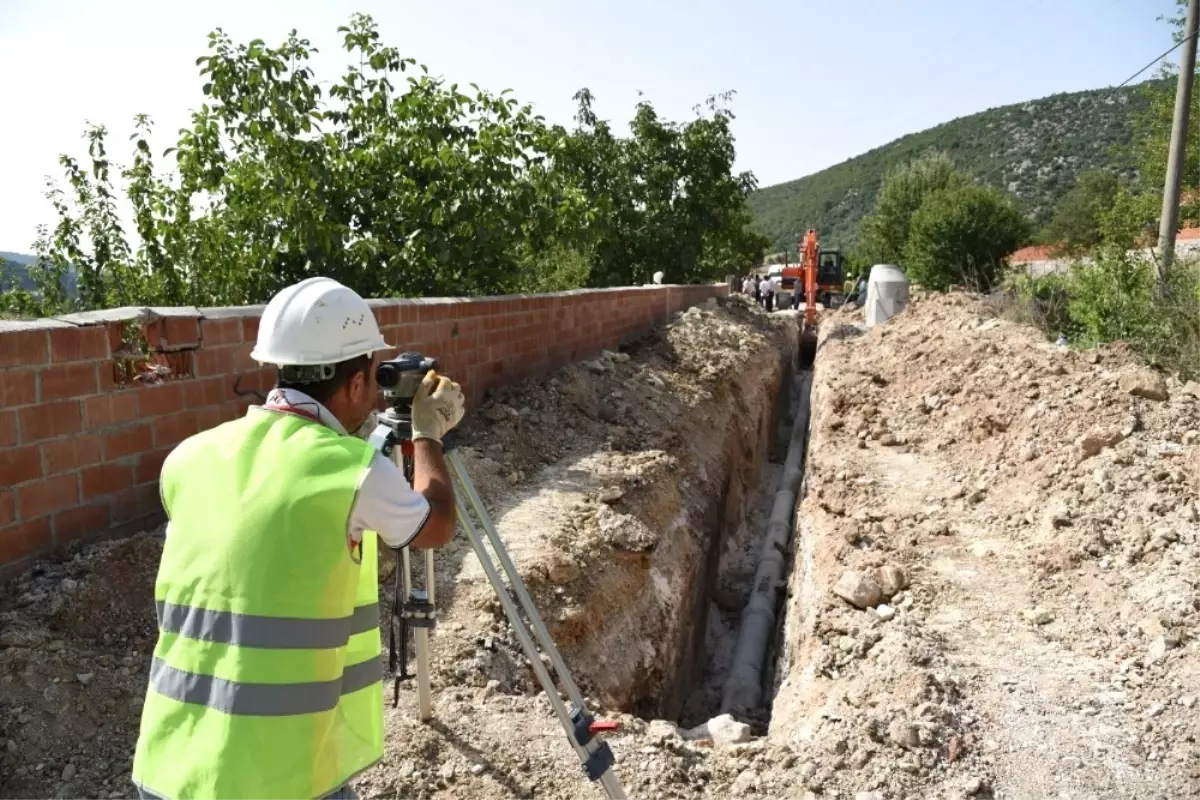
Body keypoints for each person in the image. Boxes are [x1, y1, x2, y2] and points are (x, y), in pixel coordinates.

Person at [131, 277, 466, 800]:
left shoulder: (190, 457)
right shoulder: (351, 470)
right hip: (277, 772)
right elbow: (437, 526)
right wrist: (427, 432)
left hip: (170, 762)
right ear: (356, 383)